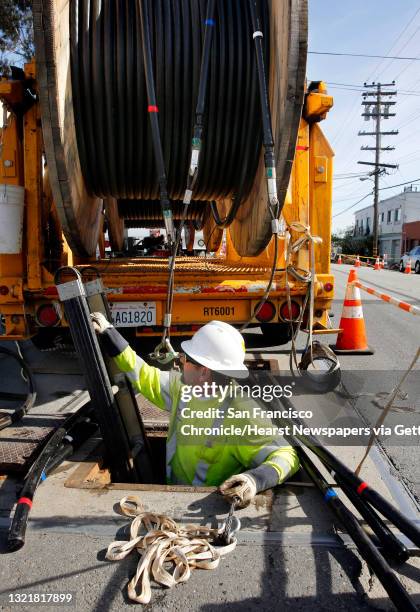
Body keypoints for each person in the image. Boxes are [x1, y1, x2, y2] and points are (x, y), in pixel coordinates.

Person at [91, 314, 299, 507]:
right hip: (172, 494)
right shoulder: (182, 388)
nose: (181, 362)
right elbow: (146, 376)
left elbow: (287, 456)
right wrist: (111, 335)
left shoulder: (242, 414)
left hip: (209, 507)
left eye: (186, 359)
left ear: (204, 372)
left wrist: (254, 480)